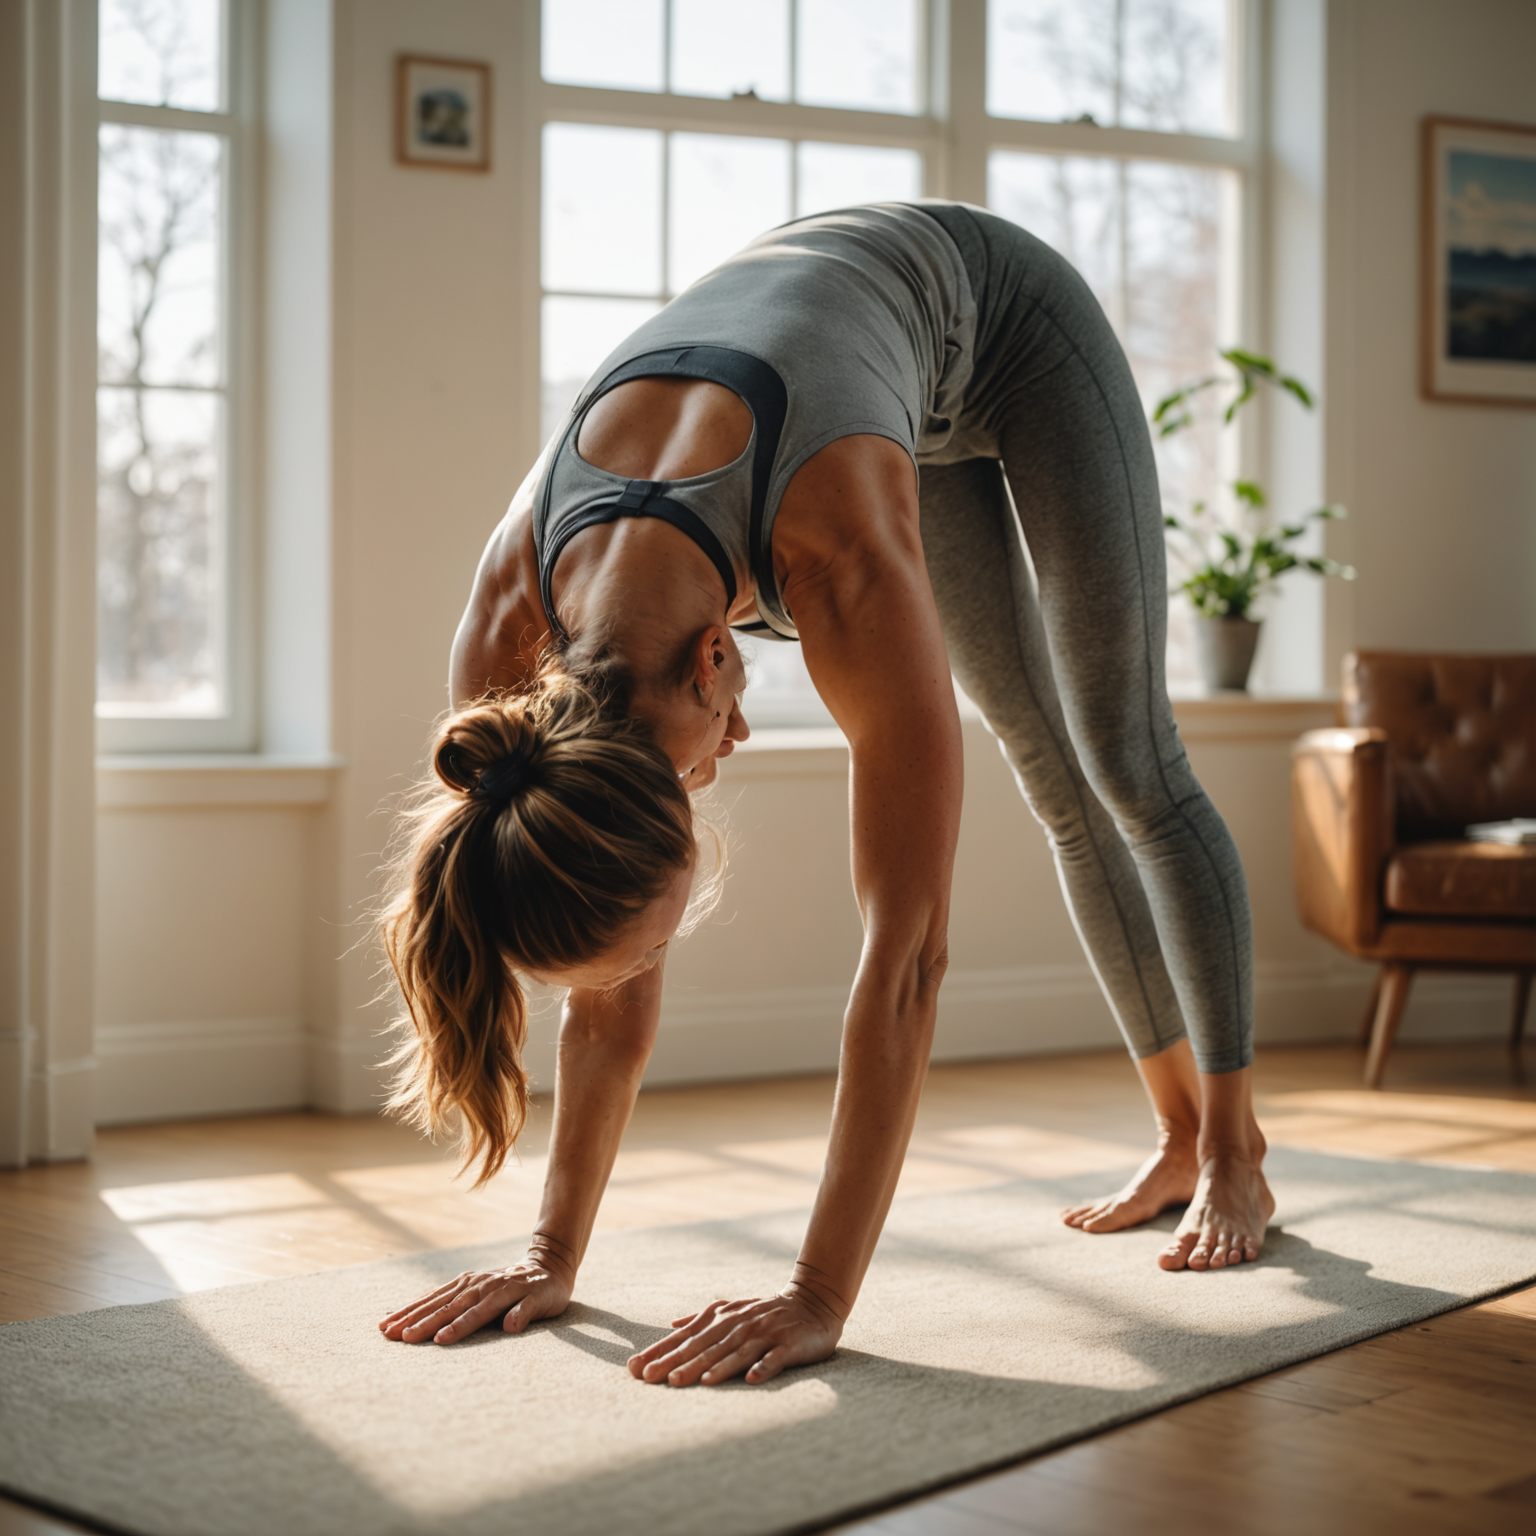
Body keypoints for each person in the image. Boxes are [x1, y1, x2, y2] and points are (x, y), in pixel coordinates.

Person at [377, 200, 1275, 1390]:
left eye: (703, 760)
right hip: (854, 382)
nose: (730, 742)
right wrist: (550, 1254)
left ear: (711, 657)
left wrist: (817, 1295)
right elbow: (612, 995)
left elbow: (906, 959)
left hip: (1003, 323)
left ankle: (1232, 1146)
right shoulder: (509, 656)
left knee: (1121, 760)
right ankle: (1176, 1138)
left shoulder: (839, 547)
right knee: (1049, 775)